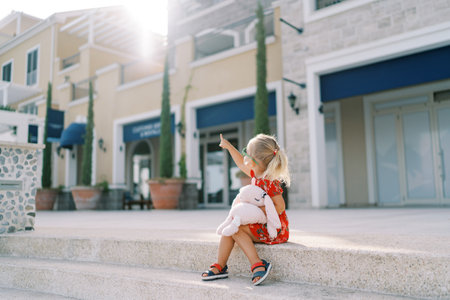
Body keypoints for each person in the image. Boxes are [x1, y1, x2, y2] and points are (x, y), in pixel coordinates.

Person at [201, 133, 290, 286]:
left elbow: (280, 206)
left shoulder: (270, 181)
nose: (244, 157)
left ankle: (258, 263)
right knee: (231, 227)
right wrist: (228, 146)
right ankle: (220, 265)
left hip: (273, 228)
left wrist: (257, 211)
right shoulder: (255, 173)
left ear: (254, 161)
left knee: (236, 229)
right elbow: (240, 163)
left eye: (246, 153)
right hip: (259, 223)